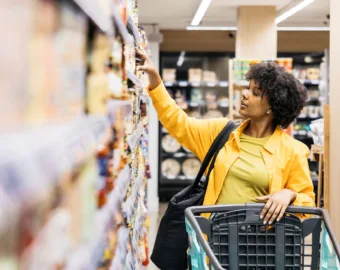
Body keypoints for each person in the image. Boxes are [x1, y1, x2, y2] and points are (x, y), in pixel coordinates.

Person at [136, 49, 315, 225]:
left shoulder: (292, 151)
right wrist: (155, 79)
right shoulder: (222, 133)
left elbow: (308, 204)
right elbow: (179, 122)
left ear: (273, 107)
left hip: (263, 249)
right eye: (248, 88)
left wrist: (290, 195)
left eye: (255, 92)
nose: (245, 94)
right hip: (214, 243)